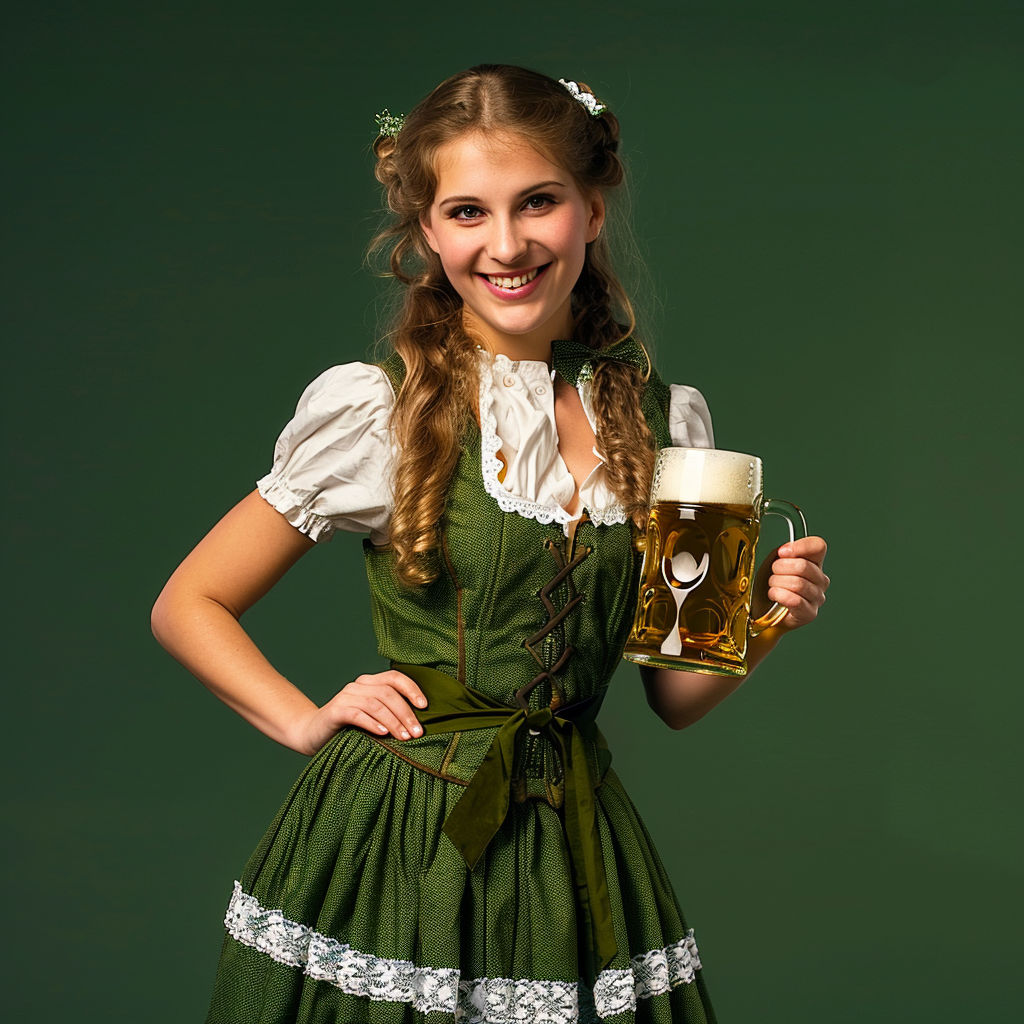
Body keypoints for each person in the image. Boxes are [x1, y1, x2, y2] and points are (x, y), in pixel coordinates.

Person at [152, 64, 829, 1024]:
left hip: (575, 840)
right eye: (468, 212)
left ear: (592, 211)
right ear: (427, 231)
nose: (506, 244)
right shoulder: (381, 406)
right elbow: (188, 602)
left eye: (539, 203)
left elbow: (676, 697)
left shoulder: (671, 423)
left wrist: (760, 621)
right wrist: (305, 720)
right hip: (400, 840)